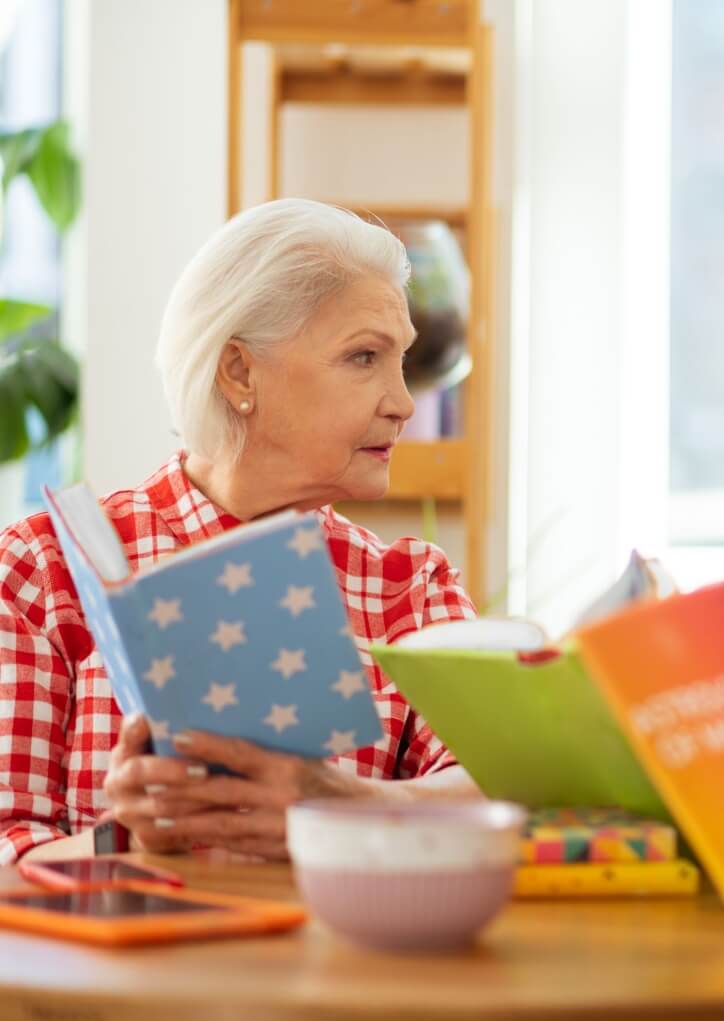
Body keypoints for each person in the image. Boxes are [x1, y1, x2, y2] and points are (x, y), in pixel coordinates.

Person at [0, 198, 481, 865]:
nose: (403, 403)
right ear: (238, 371)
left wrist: (346, 802)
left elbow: (502, 792)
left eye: (400, 361)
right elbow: (8, 847)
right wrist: (129, 839)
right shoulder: (40, 568)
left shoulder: (411, 589)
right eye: (365, 357)